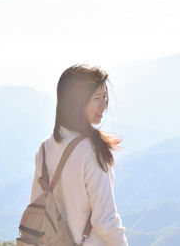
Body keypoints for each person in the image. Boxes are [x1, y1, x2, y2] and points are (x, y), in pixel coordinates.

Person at [30, 64, 128, 246]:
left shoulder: (44, 149)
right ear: (77, 102)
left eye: (105, 97)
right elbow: (105, 221)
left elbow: (36, 210)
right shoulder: (91, 150)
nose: (103, 105)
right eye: (96, 98)